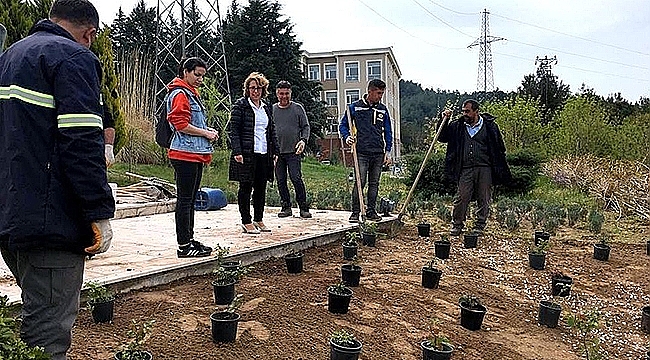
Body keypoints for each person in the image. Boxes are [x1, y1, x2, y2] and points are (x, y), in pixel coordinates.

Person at [0, 1, 114, 359]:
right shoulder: (74, 58)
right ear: (89, 33)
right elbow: (81, 142)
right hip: (52, 224)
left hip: (12, 216)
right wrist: (99, 211)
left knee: (37, 314)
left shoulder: (11, 56)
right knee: (47, 335)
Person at [166, 57, 217, 257]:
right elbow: (180, 124)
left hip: (194, 153)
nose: (200, 79)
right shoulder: (180, 94)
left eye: (203, 76)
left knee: (190, 199)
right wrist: (205, 133)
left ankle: (189, 239)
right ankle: (183, 246)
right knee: (185, 200)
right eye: (197, 75)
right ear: (185, 72)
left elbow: (190, 123)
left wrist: (206, 130)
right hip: (184, 153)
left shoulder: (191, 94)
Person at [439, 99, 512, 236]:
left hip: (485, 168)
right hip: (465, 168)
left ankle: (480, 225)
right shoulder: (458, 126)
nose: (464, 114)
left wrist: (498, 163)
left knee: (483, 197)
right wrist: (444, 119)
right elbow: (442, 137)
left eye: (468, 111)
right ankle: (457, 224)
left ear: (476, 111)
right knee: (462, 197)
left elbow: (499, 146)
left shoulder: (490, 127)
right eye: (463, 111)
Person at [228, 72, 279, 234]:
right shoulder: (241, 106)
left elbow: (271, 130)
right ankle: (246, 221)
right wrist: (237, 150)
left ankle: (259, 219)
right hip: (246, 153)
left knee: (260, 187)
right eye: (252, 88)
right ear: (247, 89)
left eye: (258, 88)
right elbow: (233, 130)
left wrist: (275, 150)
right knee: (245, 187)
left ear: (263, 90)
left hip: (264, 153)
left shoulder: (266, 107)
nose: (255, 91)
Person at [339, 78, 393, 223]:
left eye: (382, 93)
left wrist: (388, 151)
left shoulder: (382, 109)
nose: (380, 96)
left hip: (378, 152)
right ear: (370, 91)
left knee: (374, 183)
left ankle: (371, 211)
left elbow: (388, 131)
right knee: (360, 181)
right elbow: (343, 125)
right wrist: (347, 137)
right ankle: (355, 212)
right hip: (361, 152)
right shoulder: (354, 107)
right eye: (378, 93)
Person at [273, 80, 311, 218]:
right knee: (280, 179)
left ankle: (303, 207)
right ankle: (286, 206)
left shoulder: (297, 108)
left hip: (294, 151)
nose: (284, 96)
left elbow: (306, 127)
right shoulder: (272, 110)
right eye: (281, 94)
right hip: (278, 152)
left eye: (287, 93)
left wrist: (303, 140)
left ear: (291, 93)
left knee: (296, 178)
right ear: (277, 94)